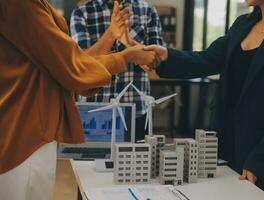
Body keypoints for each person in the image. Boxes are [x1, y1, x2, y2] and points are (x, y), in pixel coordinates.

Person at [0, 0, 159, 199]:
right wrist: (124, 56)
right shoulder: (21, 4)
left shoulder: (147, 10)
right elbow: (72, 63)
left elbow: (67, 62)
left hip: (33, 124)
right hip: (27, 129)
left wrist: (131, 50)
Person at [142, 0, 264, 197]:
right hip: (222, 146)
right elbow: (206, 60)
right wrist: (166, 55)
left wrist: (259, 162)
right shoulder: (243, 24)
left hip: (258, 156)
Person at [70, 0, 163, 141]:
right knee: (89, 163)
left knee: (138, 162)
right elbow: (81, 66)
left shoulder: (147, 10)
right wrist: (111, 34)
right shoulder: (81, 13)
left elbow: (155, 62)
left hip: (137, 113)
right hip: (94, 111)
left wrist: (128, 42)